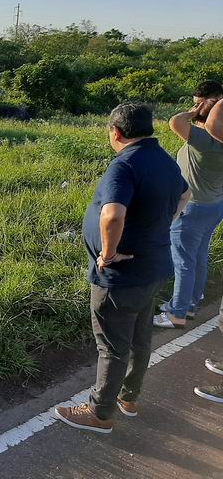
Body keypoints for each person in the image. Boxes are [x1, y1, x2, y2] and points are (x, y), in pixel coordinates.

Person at [54, 103, 190, 433]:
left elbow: (112, 214)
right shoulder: (163, 158)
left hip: (121, 275)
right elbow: (186, 194)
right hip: (152, 266)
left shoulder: (124, 165)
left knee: (113, 345)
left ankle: (100, 413)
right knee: (140, 337)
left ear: (115, 131)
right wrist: (158, 226)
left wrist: (108, 254)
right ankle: (128, 398)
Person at [154, 80, 223, 329]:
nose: (194, 108)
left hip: (191, 208)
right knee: (198, 257)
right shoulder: (215, 137)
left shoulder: (204, 139)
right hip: (213, 205)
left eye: (198, 103)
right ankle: (190, 302)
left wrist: (195, 112)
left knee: (183, 261)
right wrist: (208, 108)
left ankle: (178, 313)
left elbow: (175, 121)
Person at [190, 96, 223, 404]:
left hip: (199, 206)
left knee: (189, 257)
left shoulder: (210, 142)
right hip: (214, 206)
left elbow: (210, 126)